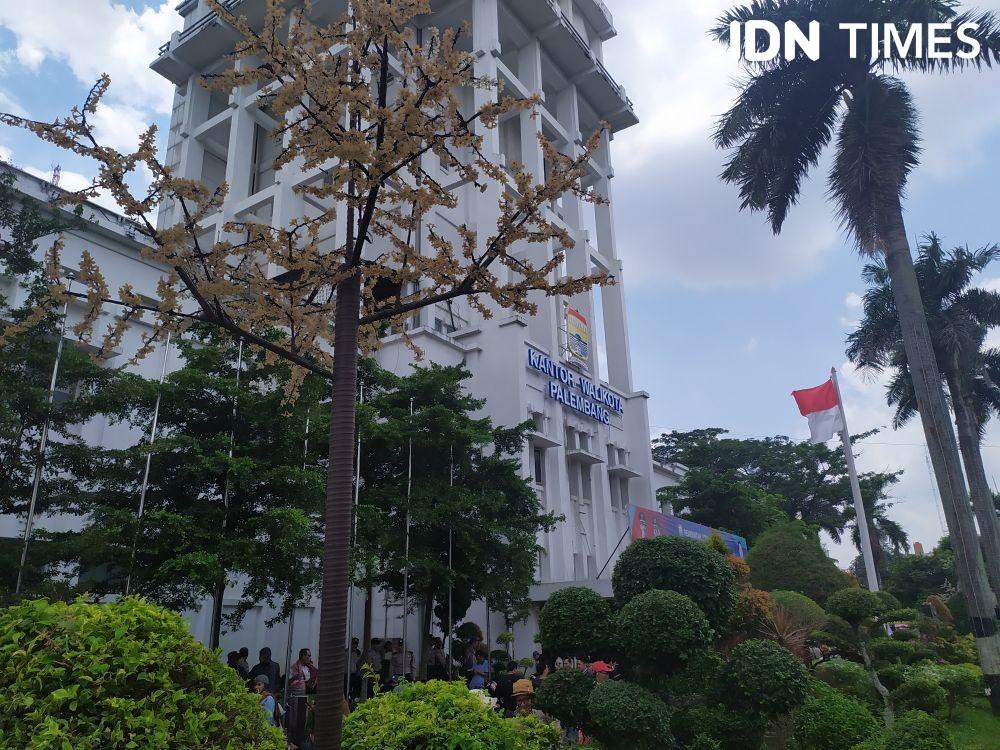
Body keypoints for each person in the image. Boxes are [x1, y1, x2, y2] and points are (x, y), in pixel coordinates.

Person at [287, 648, 317, 746]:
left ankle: (306, 739)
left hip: (308, 695)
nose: (310, 657)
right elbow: (289, 682)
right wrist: (296, 678)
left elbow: (314, 676)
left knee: (307, 720)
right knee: (297, 721)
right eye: (308, 655)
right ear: (303, 656)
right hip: (297, 698)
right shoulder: (294, 667)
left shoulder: (309, 667)